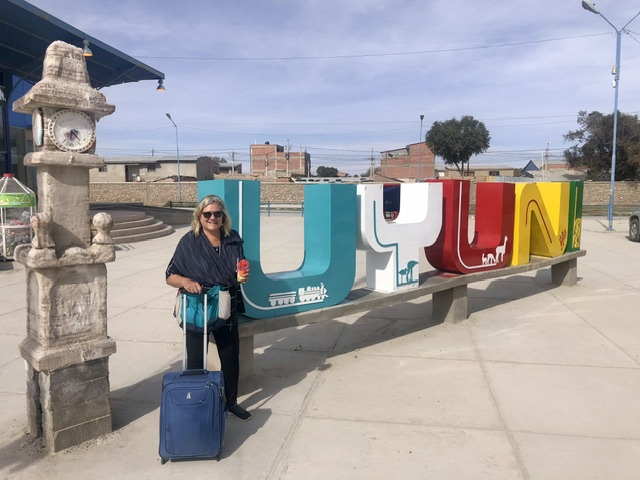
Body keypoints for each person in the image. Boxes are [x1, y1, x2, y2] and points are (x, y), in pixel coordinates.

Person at [165, 195, 251, 421]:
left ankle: (231, 402)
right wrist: (185, 281)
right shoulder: (189, 242)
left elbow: (238, 274)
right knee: (195, 360)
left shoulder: (233, 239)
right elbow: (170, 275)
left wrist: (242, 277)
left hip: (226, 305)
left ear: (223, 217)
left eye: (217, 214)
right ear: (199, 216)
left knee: (230, 358)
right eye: (208, 214)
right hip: (198, 307)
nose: (213, 218)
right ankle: (195, 403)